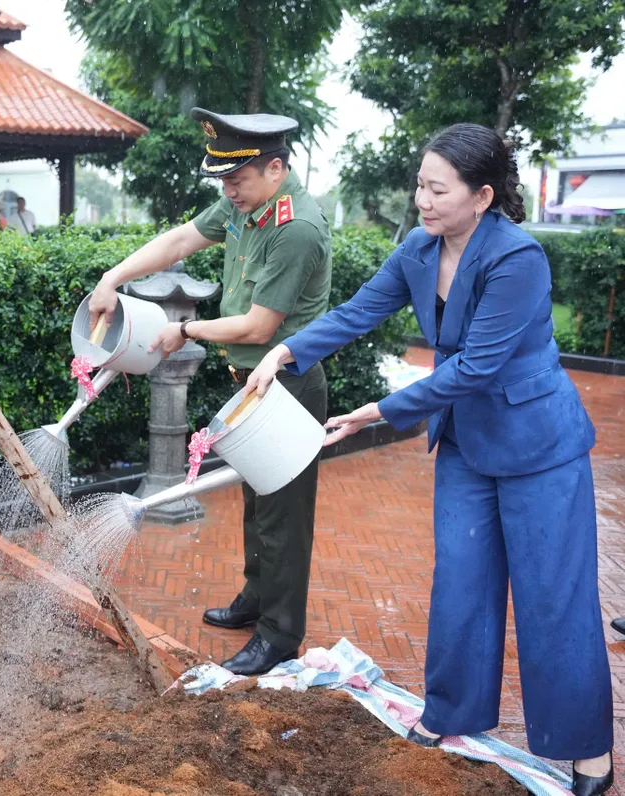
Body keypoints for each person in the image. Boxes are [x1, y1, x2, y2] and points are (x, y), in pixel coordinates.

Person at [245, 123, 614, 796]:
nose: (422, 199)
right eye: (419, 184)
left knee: (552, 601)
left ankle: (588, 752)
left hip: (539, 449)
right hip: (467, 444)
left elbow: (475, 366)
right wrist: (285, 352)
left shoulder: (518, 258)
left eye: (437, 189)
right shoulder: (417, 249)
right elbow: (360, 311)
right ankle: (451, 712)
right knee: (461, 586)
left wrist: (374, 413)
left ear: (483, 195)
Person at [88, 107, 333, 676]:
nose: (229, 192)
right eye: (223, 180)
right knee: (256, 502)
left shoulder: (295, 228)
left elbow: (256, 327)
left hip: (289, 386)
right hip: (251, 382)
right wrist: (111, 279)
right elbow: (180, 239)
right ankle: (257, 597)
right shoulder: (246, 200)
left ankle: (279, 633)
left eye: (237, 180)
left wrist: (186, 329)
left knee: (283, 516)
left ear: (275, 168)